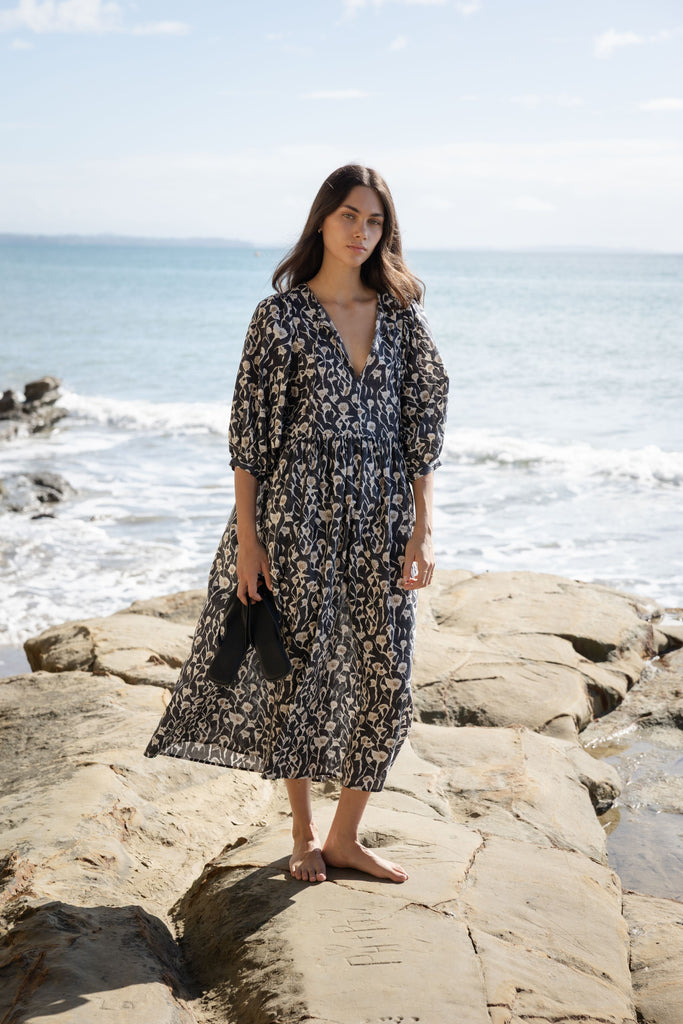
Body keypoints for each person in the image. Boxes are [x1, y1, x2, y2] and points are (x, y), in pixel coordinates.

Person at [145, 164, 448, 885]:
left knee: (386, 679)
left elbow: (421, 430)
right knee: (298, 674)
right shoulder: (278, 317)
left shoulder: (402, 317)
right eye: (347, 216)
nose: (360, 232)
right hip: (294, 521)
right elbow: (249, 439)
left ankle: (346, 836)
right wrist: (249, 541)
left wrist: (423, 526)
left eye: (373, 221)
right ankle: (304, 834)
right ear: (321, 221)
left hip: (379, 519)